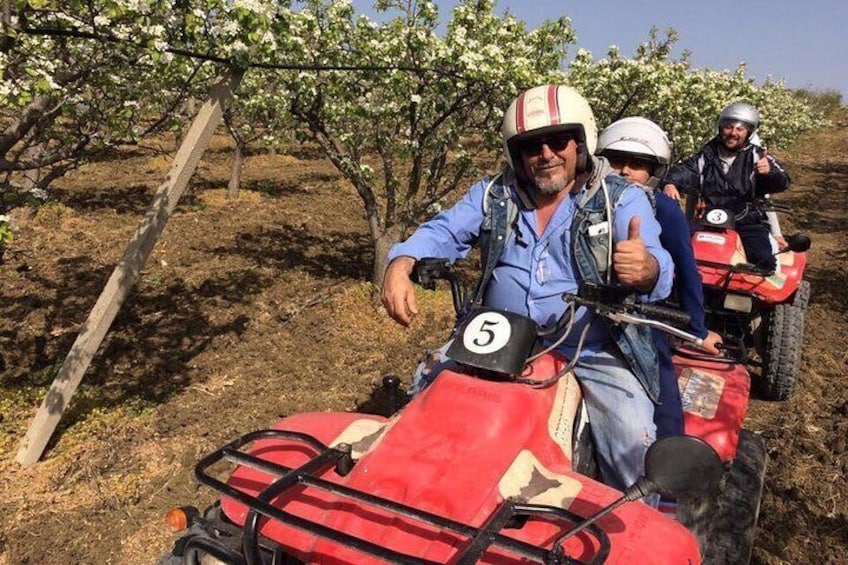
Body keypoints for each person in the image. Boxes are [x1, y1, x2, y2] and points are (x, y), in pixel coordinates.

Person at [381, 84, 674, 494]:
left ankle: (632, 535)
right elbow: (445, 229)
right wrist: (402, 261)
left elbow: (660, 268)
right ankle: (411, 494)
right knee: (425, 398)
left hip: (590, 345)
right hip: (496, 338)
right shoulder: (495, 194)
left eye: (557, 141)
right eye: (531, 146)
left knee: (631, 444)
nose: (546, 154)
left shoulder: (619, 199)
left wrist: (645, 270)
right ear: (516, 154)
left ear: (581, 142)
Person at [596, 117, 723, 443]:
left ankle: (666, 481)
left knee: (661, 395)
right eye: (616, 161)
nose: (624, 171)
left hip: (637, 315)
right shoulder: (583, 201)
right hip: (579, 316)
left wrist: (697, 330)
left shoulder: (664, 208)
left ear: (654, 172)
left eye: (637, 164)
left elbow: (686, 268)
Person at [662, 102, 790, 272]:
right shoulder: (706, 155)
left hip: (746, 219)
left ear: (749, 133)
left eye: (740, 129)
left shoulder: (758, 155)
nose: (733, 133)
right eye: (728, 127)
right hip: (710, 218)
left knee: (763, 261)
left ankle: (748, 295)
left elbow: (783, 181)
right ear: (720, 128)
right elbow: (685, 170)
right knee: (672, 247)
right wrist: (670, 182)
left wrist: (769, 173)